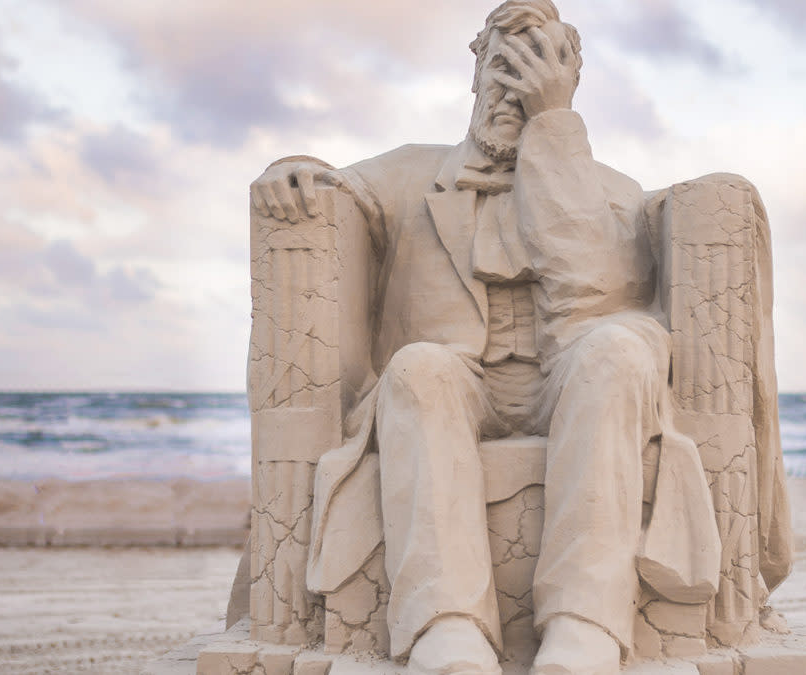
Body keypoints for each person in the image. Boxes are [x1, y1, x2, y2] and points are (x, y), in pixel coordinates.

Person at [251, 2, 713, 673]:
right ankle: (447, 624)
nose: (511, 89)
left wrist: (552, 130)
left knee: (616, 350)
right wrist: (290, 166)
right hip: (463, 380)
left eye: (535, 73)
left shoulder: (610, 190)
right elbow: (333, 184)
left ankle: (584, 624)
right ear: (473, 73)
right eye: (501, 66)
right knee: (416, 369)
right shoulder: (409, 171)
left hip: (569, 377)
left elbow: (583, 289)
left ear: (567, 81)